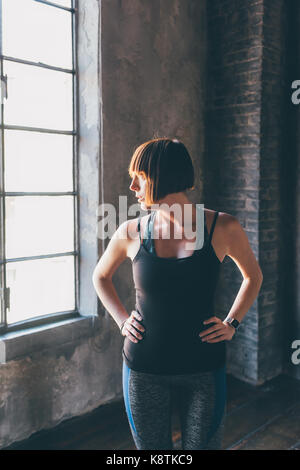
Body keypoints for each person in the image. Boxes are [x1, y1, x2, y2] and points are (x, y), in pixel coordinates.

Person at [92, 137, 263, 450]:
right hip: (143, 371)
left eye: (139, 177)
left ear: (161, 176)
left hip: (204, 369)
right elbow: (100, 276)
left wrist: (231, 324)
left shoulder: (223, 227)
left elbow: (253, 276)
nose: (132, 186)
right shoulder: (131, 232)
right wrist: (121, 320)